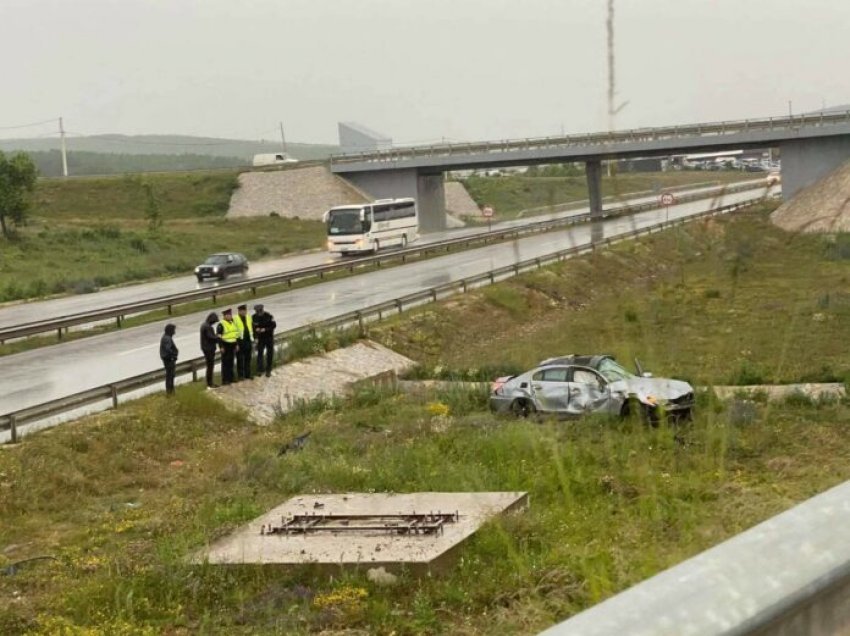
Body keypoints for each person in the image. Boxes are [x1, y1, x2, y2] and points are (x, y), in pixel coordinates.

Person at [252, 303, 277, 377]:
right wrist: (255, 338)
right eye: (257, 312)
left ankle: (268, 370)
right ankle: (260, 370)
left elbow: (274, 325)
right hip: (260, 338)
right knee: (260, 354)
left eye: (260, 312)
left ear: (262, 310)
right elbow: (253, 328)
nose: (259, 313)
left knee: (270, 354)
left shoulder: (269, 316)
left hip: (269, 337)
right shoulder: (254, 317)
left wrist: (265, 329)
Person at [216, 308, 239, 385]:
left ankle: (231, 378)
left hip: (232, 345)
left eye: (230, 315)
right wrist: (221, 347)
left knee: (231, 362)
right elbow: (219, 337)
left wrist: (236, 345)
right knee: (225, 363)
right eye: (228, 315)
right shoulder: (221, 324)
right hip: (225, 346)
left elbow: (235, 334)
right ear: (224, 316)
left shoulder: (232, 322)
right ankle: (225, 380)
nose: (230, 316)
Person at [199, 312, 220, 389]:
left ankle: (210, 382)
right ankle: (210, 383)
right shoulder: (208, 327)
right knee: (210, 366)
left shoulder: (204, 325)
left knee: (209, 366)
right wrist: (218, 337)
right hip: (209, 349)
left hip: (205, 348)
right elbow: (211, 338)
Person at [234, 304, 254, 380]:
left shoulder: (248, 317)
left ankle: (248, 374)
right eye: (242, 311)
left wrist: (254, 338)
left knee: (248, 359)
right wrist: (236, 343)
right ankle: (241, 376)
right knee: (240, 359)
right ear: (239, 311)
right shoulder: (235, 319)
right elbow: (234, 332)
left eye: (245, 310)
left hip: (248, 341)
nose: (244, 312)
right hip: (240, 342)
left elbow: (252, 327)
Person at [159, 323, 179, 395]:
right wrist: (173, 355)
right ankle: (170, 391)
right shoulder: (167, 338)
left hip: (168, 359)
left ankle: (170, 391)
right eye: (174, 330)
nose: (174, 332)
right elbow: (168, 349)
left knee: (170, 375)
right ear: (170, 331)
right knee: (170, 375)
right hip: (169, 359)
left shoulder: (166, 337)